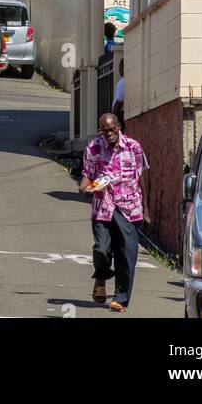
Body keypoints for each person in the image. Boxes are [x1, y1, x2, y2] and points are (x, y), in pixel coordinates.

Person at [79, 112, 149, 313]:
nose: (109, 133)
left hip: (129, 208)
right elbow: (87, 175)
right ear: (100, 130)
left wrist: (146, 209)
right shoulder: (94, 148)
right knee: (101, 249)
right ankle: (101, 276)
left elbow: (142, 178)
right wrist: (84, 188)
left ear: (118, 127)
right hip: (103, 207)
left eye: (112, 129)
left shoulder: (133, 147)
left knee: (126, 254)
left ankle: (120, 299)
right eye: (104, 130)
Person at [113, 60, 125, 128]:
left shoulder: (122, 82)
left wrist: (113, 116)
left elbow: (119, 101)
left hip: (119, 114)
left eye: (120, 66)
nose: (119, 69)